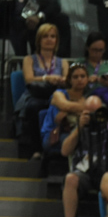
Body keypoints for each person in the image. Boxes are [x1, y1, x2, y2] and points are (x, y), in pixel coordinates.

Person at [57, 98, 108, 217]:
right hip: (85, 173)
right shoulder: (80, 126)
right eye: (89, 113)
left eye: (97, 112)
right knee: (70, 178)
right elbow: (64, 151)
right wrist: (79, 128)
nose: (94, 117)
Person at [17, 23, 70, 157]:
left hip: (56, 95)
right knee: (34, 107)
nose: (49, 39)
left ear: (56, 40)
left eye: (52, 36)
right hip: (36, 95)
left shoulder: (62, 62)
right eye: (45, 36)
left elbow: (69, 81)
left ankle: (56, 146)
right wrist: (47, 78)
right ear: (39, 40)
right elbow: (29, 79)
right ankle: (36, 149)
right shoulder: (29, 59)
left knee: (59, 107)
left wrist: (62, 80)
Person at [40, 63, 89, 153]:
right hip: (55, 135)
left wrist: (70, 111)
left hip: (78, 131)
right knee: (81, 140)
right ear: (69, 80)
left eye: (83, 76)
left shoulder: (88, 97)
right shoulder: (59, 94)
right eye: (75, 77)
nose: (79, 79)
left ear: (87, 79)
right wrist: (85, 109)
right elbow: (65, 106)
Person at [80, 31, 108, 106]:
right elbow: (70, 84)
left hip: (106, 99)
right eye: (94, 50)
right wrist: (86, 81)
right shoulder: (79, 64)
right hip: (84, 99)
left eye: (101, 50)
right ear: (87, 48)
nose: (97, 53)